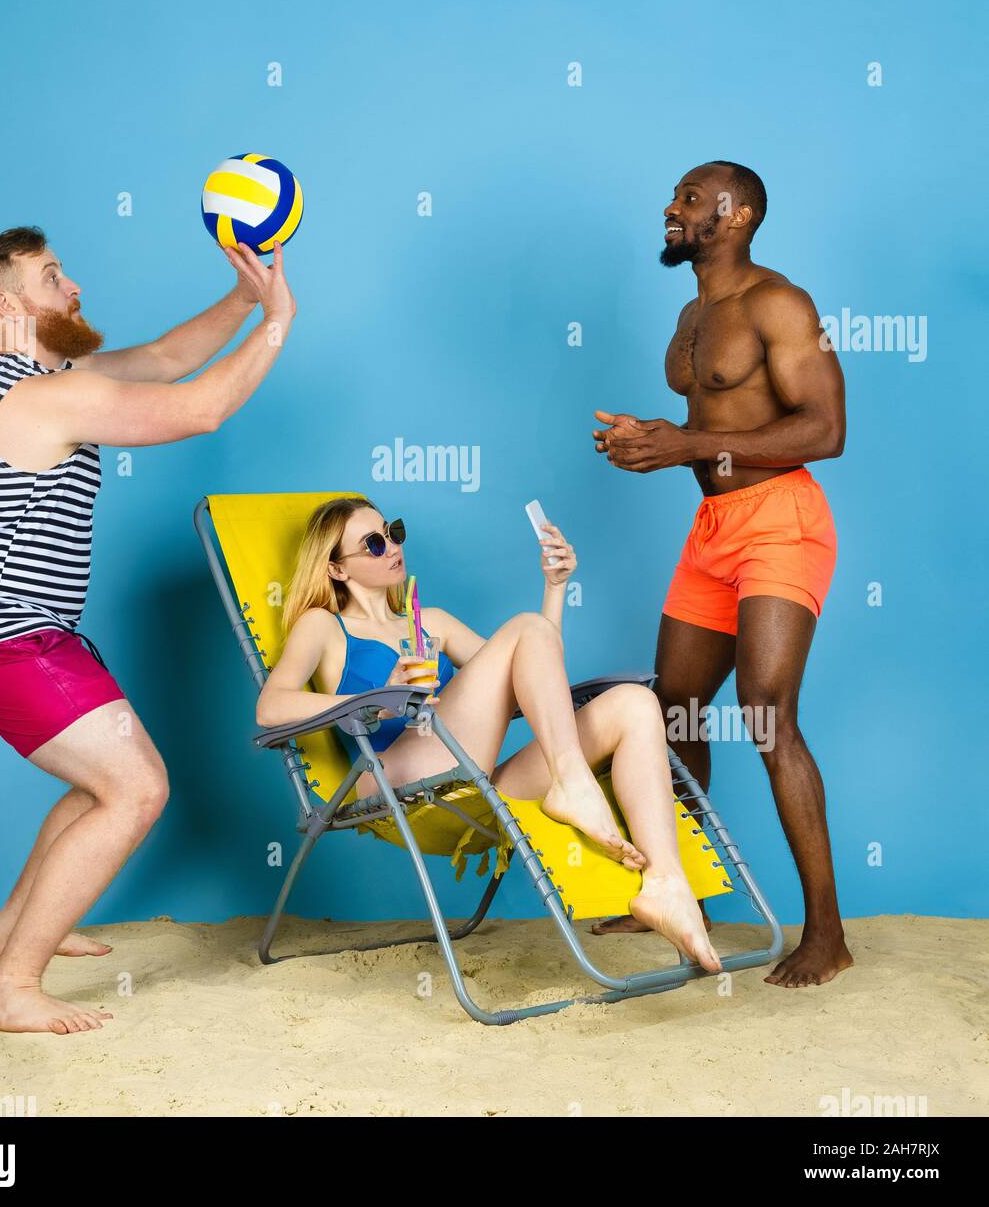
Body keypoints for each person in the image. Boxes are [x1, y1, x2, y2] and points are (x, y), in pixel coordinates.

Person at [0, 227, 295, 1033]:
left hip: (28, 636)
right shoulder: (39, 398)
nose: (74, 285)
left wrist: (242, 297)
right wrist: (275, 323)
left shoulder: (44, 378)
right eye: (52, 275)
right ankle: (8, 989)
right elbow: (199, 407)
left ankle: (8, 930)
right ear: (6, 304)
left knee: (100, 780)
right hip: (1, 639)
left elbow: (166, 359)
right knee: (137, 789)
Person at [256, 496, 721, 972]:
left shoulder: (430, 622)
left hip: (465, 777)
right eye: (373, 543)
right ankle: (572, 784)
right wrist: (379, 695)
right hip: (394, 782)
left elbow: (529, 681)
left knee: (635, 704)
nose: (392, 546)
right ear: (336, 569)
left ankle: (666, 883)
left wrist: (555, 588)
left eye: (394, 532)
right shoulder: (324, 627)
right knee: (524, 628)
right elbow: (271, 707)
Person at [592, 160, 851, 988]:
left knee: (767, 713)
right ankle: (684, 894)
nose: (670, 208)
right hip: (711, 529)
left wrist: (687, 445)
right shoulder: (691, 310)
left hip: (781, 522)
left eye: (691, 199)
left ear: (736, 214)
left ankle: (826, 934)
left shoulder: (779, 303)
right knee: (672, 712)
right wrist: (652, 440)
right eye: (673, 196)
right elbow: (709, 423)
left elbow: (825, 429)